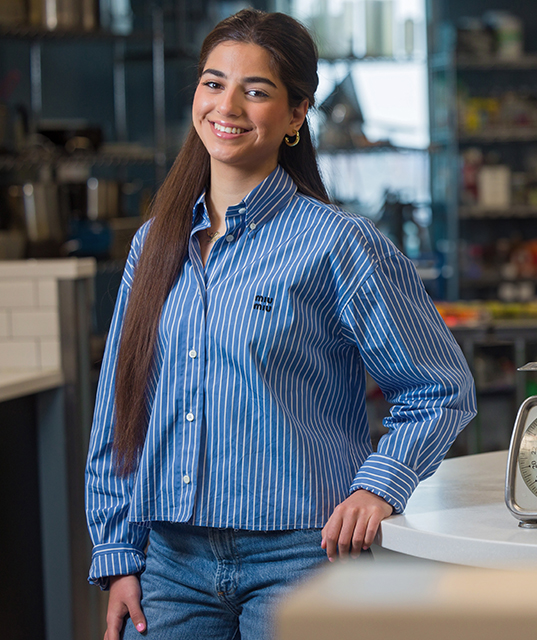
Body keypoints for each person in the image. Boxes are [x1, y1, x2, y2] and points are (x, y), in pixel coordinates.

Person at [84, 9, 476, 640]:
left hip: (303, 557)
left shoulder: (339, 245)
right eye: (214, 83)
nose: (228, 105)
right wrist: (119, 556)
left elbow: (439, 387)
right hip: (169, 565)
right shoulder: (154, 245)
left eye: (256, 90)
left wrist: (381, 486)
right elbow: (121, 406)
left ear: (296, 114)